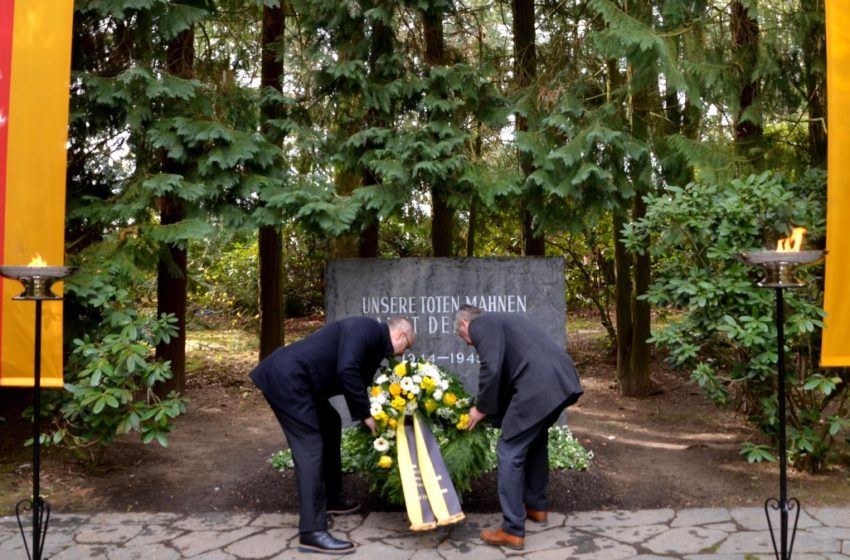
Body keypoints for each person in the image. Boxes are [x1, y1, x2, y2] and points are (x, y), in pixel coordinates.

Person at [250, 316, 415, 555]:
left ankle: (332, 499)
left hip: (301, 380)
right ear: (400, 334)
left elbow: (358, 377)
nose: (402, 354)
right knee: (310, 447)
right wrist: (365, 414)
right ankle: (312, 532)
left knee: (330, 422)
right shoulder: (366, 328)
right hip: (288, 378)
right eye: (407, 346)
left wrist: (379, 407)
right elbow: (346, 369)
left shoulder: (374, 342)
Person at [454, 304, 582, 550]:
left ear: (464, 325)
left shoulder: (480, 323)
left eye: (464, 340)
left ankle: (512, 530)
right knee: (535, 442)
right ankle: (536, 506)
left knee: (508, 450)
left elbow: (491, 369)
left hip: (538, 384)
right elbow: (505, 371)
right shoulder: (503, 322)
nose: (469, 345)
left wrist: (479, 409)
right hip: (559, 380)